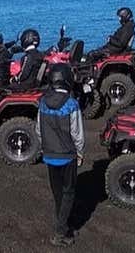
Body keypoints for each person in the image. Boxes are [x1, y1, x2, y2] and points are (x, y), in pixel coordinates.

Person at [35, 63, 85, 247]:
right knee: (69, 192)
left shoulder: (42, 102)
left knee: (57, 192)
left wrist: (44, 148)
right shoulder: (72, 104)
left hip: (49, 154)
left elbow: (38, 130)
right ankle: (60, 231)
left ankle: (61, 222)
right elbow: (77, 133)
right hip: (67, 154)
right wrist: (80, 153)